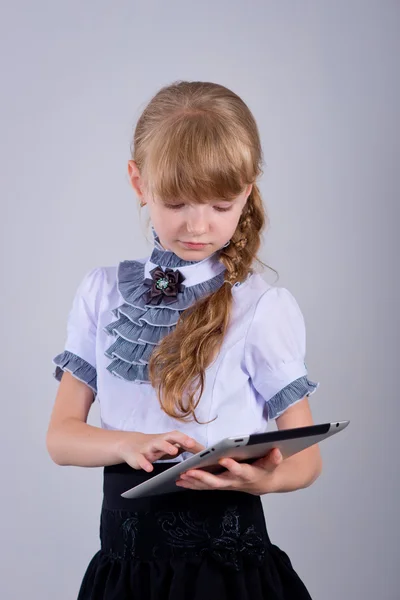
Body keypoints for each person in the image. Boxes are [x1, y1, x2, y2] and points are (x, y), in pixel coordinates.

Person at [47, 80, 322, 600]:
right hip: (125, 576)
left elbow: (306, 458)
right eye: (177, 202)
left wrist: (257, 481)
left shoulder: (263, 308)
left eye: (221, 205)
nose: (198, 226)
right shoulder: (101, 293)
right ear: (138, 182)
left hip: (228, 577)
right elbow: (61, 437)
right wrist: (127, 444)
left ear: (247, 189)